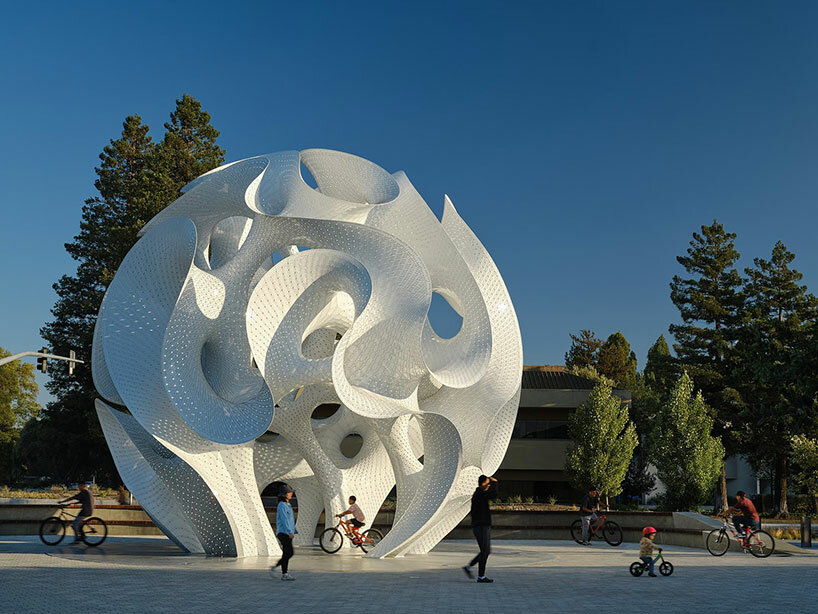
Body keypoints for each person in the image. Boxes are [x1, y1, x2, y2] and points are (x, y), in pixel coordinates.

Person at [463, 475, 498, 583]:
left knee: (485, 551)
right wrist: (495, 483)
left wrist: (491, 483)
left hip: (482, 526)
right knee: (485, 551)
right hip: (481, 526)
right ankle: (481, 577)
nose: (489, 486)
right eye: (488, 484)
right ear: (483, 484)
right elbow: (494, 495)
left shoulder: (480, 494)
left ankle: (469, 568)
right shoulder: (480, 494)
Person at [271, 485, 297, 581]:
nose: (292, 494)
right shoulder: (282, 505)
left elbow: (290, 520)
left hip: (287, 532)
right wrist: (289, 531)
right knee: (289, 553)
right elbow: (284, 519)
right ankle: (282, 572)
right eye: (290, 492)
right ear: (285, 494)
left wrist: (293, 530)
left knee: (288, 553)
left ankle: (281, 571)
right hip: (283, 532)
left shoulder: (287, 504)